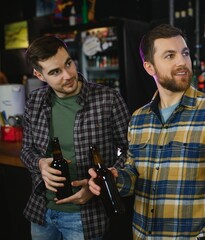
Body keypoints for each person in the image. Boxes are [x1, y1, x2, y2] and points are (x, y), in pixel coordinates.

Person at [88, 24, 205, 239]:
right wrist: (115, 179)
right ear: (149, 68)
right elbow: (134, 175)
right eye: (169, 56)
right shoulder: (139, 118)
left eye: (185, 53)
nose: (182, 62)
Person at [20, 35, 130, 240]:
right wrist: (40, 164)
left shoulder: (108, 98)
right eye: (55, 72)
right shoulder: (35, 101)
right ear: (39, 75)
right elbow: (26, 150)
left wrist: (95, 183)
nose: (68, 75)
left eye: (68, 64)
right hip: (41, 210)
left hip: (85, 215)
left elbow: (130, 151)